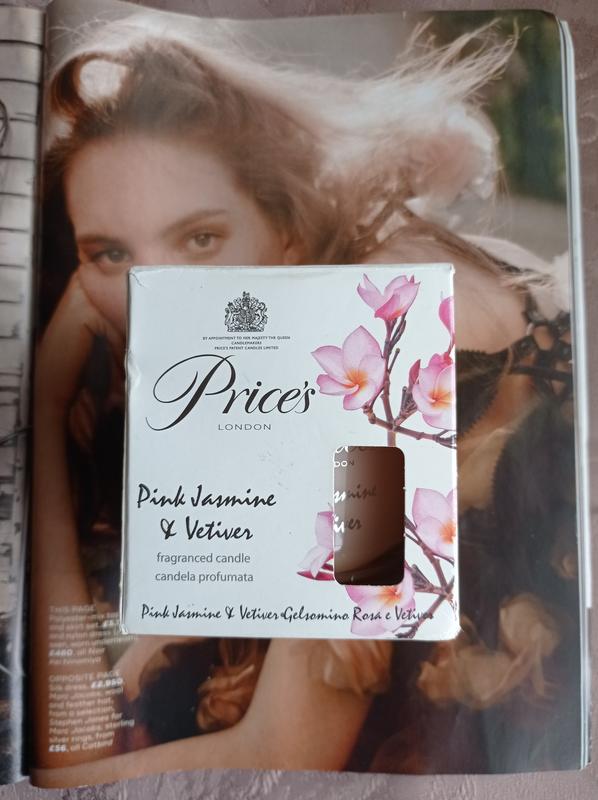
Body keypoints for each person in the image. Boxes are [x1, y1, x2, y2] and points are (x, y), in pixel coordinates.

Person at [32, 14, 578, 787]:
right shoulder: (345, 281)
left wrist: (43, 417)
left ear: (285, 226)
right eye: (110, 254)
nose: (154, 291)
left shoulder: (364, 342)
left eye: (200, 239)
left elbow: (264, 752)